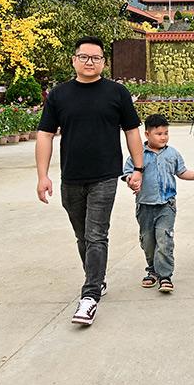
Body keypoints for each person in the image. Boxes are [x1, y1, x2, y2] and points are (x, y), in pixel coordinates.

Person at [36, 37, 144, 327]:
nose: (89, 62)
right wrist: (42, 175)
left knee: (97, 234)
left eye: (96, 58)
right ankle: (96, 277)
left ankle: (90, 295)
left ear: (103, 63)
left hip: (105, 176)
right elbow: (45, 135)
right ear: (74, 60)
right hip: (70, 177)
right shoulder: (59, 95)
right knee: (82, 235)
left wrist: (139, 168)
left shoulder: (117, 93)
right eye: (84, 57)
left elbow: (132, 131)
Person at [122, 114, 194, 294]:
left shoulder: (172, 153)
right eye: (158, 134)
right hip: (144, 206)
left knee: (164, 240)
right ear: (147, 134)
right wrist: (131, 180)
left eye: (166, 133)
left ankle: (165, 275)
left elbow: (181, 172)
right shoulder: (138, 155)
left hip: (166, 205)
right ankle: (152, 270)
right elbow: (128, 173)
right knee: (148, 241)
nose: (163, 137)